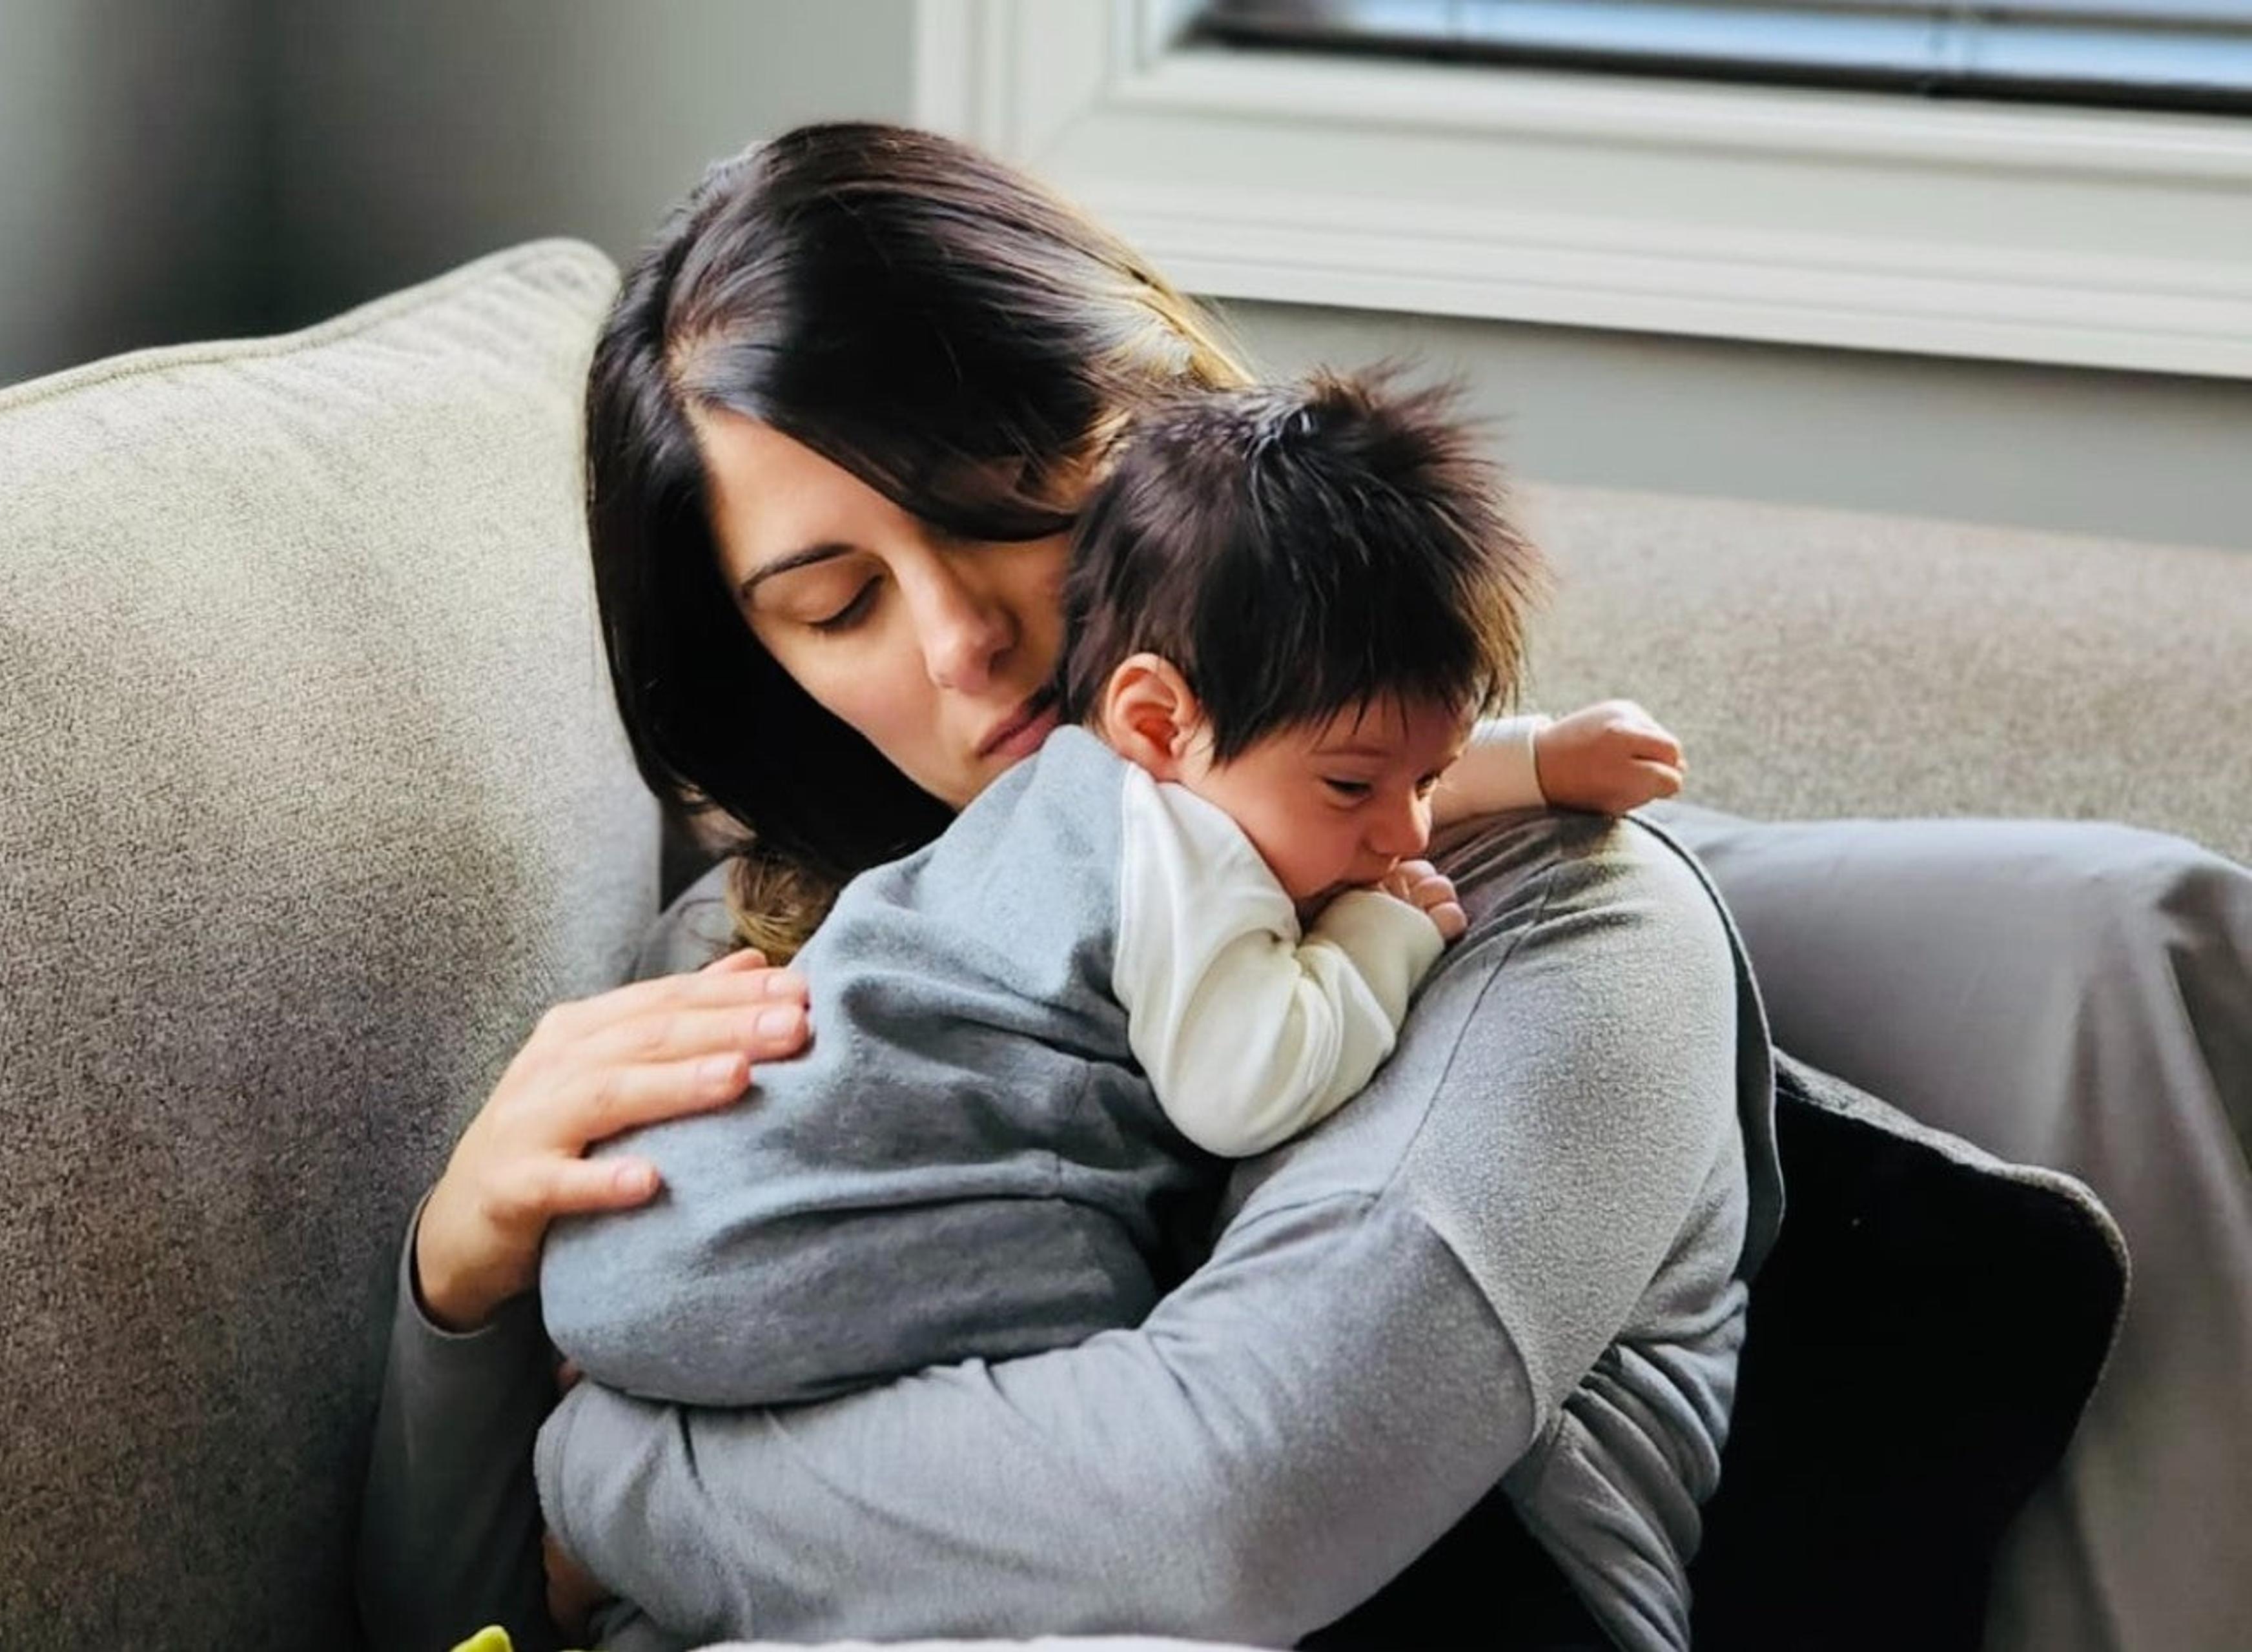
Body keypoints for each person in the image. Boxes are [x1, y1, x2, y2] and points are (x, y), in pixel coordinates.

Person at [358, 122, 2252, 1652]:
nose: (963, 643)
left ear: (1177, 427)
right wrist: (461, 1280)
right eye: (836, 602)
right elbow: (452, 1625)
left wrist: (620, 1485)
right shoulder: (754, 967)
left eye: (1014, 493)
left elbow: (1233, 1508)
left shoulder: (1548, 916)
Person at [537, 368, 1691, 1415]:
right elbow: (1244, 1088)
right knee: (1101, 1321)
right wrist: (1377, 936)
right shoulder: (1191, 854)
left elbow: (1324, 765)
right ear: (1154, 720)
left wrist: (1539, 759)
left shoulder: (1111, 771)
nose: (1408, 833)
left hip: (643, 1247)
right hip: (780, 1244)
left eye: (1432, 782)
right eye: (841, 602)